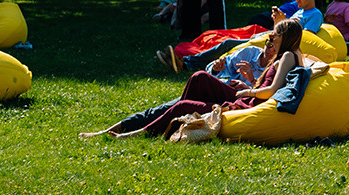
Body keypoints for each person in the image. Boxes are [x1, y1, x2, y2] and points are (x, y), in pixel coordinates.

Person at [87, 19, 305, 139]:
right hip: (240, 93)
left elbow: (271, 91)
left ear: (284, 37)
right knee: (199, 77)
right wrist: (247, 83)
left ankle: (139, 132)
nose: (270, 40)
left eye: (274, 36)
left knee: (182, 103)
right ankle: (173, 118)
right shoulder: (286, 55)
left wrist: (247, 89)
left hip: (243, 102)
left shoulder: (287, 56)